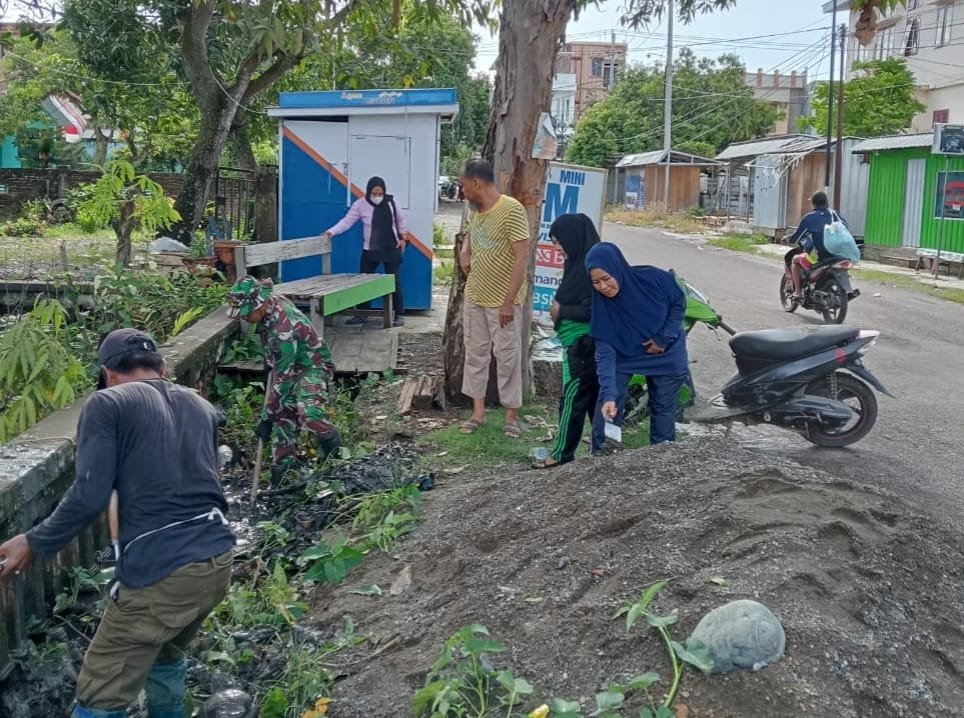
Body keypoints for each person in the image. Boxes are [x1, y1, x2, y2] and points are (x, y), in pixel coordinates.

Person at [0, 328, 236, 718]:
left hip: (163, 572)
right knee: (165, 655)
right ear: (161, 368)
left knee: (99, 694)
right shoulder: (200, 406)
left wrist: (34, 541)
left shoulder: (108, 403)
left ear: (108, 374)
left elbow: (89, 495)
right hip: (216, 560)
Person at [227, 276, 342, 484]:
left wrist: (266, 417)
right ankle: (283, 472)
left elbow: (283, 377)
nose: (244, 317)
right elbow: (279, 368)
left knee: (308, 412)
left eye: (246, 313)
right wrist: (274, 412)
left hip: (311, 366)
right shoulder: (268, 309)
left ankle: (339, 461)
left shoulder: (283, 327)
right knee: (283, 418)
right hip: (287, 366)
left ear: (260, 305)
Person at [586, 243, 689, 446]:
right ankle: (603, 456)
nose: (603, 287)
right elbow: (605, 354)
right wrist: (608, 395)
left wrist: (663, 338)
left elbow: (679, 302)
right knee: (608, 408)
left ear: (617, 268)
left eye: (606, 278)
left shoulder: (653, 279)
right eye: (596, 282)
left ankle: (661, 459)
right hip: (626, 356)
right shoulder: (602, 307)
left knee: (663, 412)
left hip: (667, 355)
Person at [457, 158, 531, 438]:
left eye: (464, 185)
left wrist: (509, 302)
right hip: (475, 295)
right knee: (475, 354)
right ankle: (478, 413)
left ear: (476, 183)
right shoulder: (476, 210)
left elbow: (522, 257)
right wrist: (465, 249)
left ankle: (511, 416)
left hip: (503, 301)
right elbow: (472, 233)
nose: (462, 190)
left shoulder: (511, 209)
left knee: (507, 356)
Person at [533, 213, 601, 468]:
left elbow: (596, 309)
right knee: (593, 399)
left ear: (573, 238)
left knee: (572, 399)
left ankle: (561, 455)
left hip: (582, 345)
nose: (557, 248)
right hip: (582, 343)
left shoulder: (591, 268)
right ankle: (603, 450)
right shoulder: (580, 263)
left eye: (559, 242)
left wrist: (561, 310)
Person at [322, 176, 409, 327]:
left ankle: (399, 314)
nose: (377, 197)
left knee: (394, 281)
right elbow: (347, 221)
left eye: (380, 193)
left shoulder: (392, 202)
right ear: (368, 192)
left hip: (391, 248)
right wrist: (331, 232)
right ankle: (362, 314)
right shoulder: (360, 204)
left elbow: (401, 222)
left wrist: (404, 239)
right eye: (374, 194)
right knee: (363, 280)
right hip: (370, 249)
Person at [785, 191, 837, 301]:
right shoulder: (834, 214)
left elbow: (797, 237)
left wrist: (789, 239)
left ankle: (797, 292)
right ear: (826, 202)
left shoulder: (809, 217)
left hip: (820, 256)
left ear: (813, 204)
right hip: (838, 254)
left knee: (795, 259)